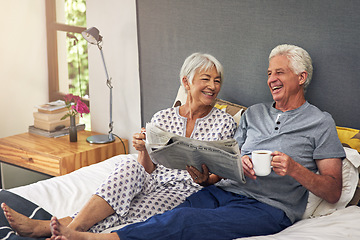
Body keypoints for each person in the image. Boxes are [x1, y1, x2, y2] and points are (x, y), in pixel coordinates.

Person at [47, 44, 346, 240]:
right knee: (167, 217)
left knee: (183, 223)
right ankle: (73, 228)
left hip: (268, 208)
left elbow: (332, 191)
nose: (271, 79)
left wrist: (294, 169)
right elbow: (228, 162)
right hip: (223, 192)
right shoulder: (254, 114)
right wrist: (208, 177)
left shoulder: (320, 123)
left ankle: (95, 238)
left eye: (279, 72)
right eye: (269, 73)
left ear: (301, 76)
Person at [1, 53, 237, 238]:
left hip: (185, 189)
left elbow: (222, 172)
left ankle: (52, 228)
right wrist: (143, 149)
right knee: (127, 167)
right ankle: (70, 229)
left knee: (134, 207)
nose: (213, 86)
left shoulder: (225, 122)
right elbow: (146, 168)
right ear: (186, 82)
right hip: (151, 178)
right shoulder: (163, 117)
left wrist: (206, 179)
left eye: (217, 81)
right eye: (205, 79)